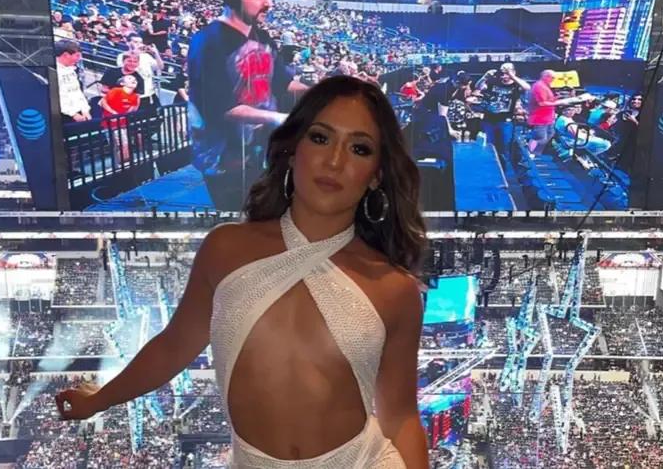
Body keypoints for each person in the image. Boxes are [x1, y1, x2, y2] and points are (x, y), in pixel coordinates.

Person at [55, 76, 429, 468]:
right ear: (292, 149)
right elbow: (174, 347)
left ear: (376, 175)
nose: (335, 161)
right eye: (320, 138)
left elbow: (400, 415)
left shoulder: (394, 289)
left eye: (359, 148)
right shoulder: (226, 250)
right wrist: (99, 400)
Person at [186, 0, 308, 211]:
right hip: (226, 162)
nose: (269, 3)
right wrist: (282, 119)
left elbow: (283, 83)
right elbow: (222, 108)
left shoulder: (264, 38)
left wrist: (324, 89)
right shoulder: (207, 42)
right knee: (242, 222)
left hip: (262, 152)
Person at [527, 70, 594, 156]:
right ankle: (529, 153)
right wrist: (562, 101)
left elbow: (549, 100)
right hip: (540, 117)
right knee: (539, 136)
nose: (553, 79)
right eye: (552, 77)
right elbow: (542, 103)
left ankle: (536, 152)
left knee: (549, 134)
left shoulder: (546, 87)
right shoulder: (539, 86)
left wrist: (558, 98)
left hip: (548, 117)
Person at [477, 63, 530, 159]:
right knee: (489, 145)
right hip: (489, 119)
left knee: (505, 145)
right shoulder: (493, 82)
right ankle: (490, 163)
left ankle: (504, 164)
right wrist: (485, 77)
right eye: (502, 73)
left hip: (505, 120)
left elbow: (527, 87)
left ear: (513, 72)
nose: (504, 76)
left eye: (507, 73)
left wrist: (512, 76)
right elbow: (478, 87)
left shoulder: (516, 85)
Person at [115, 34, 164, 114]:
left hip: (149, 94)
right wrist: (136, 52)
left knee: (157, 116)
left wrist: (156, 53)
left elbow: (160, 67)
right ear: (128, 43)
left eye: (140, 42)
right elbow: (126, 70)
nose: (139, 44)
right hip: (134, 95)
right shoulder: (122, 56)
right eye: (135, 42)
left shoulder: (146, 56)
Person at [55, 39, 91, 124]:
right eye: (77, 56)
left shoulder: (72, 70)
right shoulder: (54, 71)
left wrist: (85, 110)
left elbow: (77, 92)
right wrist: (73, 114)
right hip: (63, 116)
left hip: (80, 113)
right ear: (66, 55)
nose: (79, 59)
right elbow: (59, 96)